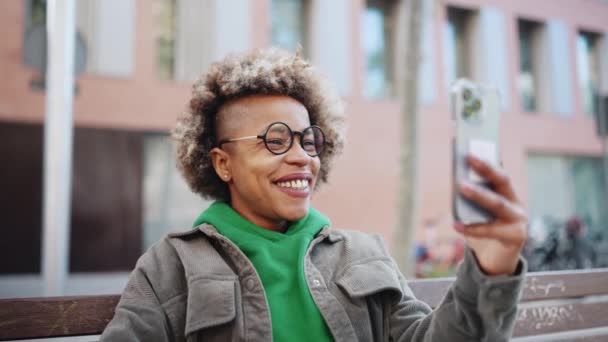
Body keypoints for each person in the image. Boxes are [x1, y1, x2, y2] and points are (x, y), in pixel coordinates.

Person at [100, 48, 527, 342]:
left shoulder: (363, 254)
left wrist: (491, 269)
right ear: (222, 163)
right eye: (276, 140)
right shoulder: (171, 266)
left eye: (309, 140)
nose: (302, 157)